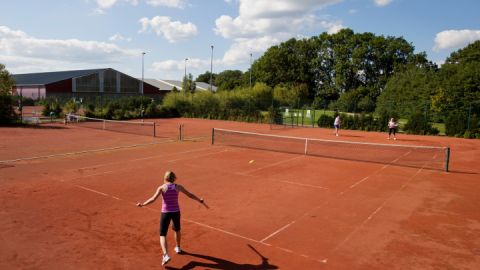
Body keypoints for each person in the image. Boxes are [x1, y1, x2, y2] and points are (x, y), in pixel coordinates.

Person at [137, 171, 205, 266]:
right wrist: (199, 200)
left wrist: (143, 204)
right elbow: (190, 195)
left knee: (162, 234)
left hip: (165, 213)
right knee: (177, 230)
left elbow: (153, 199)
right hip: (176, 212)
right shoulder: (178, 187)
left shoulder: (162, 188)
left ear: (165, 177)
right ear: (174, 178)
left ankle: (165, 255)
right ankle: (178, 247)